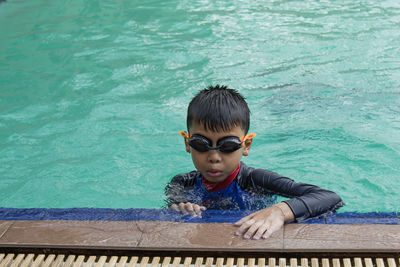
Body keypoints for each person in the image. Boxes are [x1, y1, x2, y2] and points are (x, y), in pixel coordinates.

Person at [165, 85, 343, 240]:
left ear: (246, 145)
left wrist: (279, 211)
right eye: (201, 144)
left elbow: (331, 198)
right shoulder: (181, 184)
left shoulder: (255, 181)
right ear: (188, 144)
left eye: (227, 145)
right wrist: (181, 209)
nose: (214, 157)